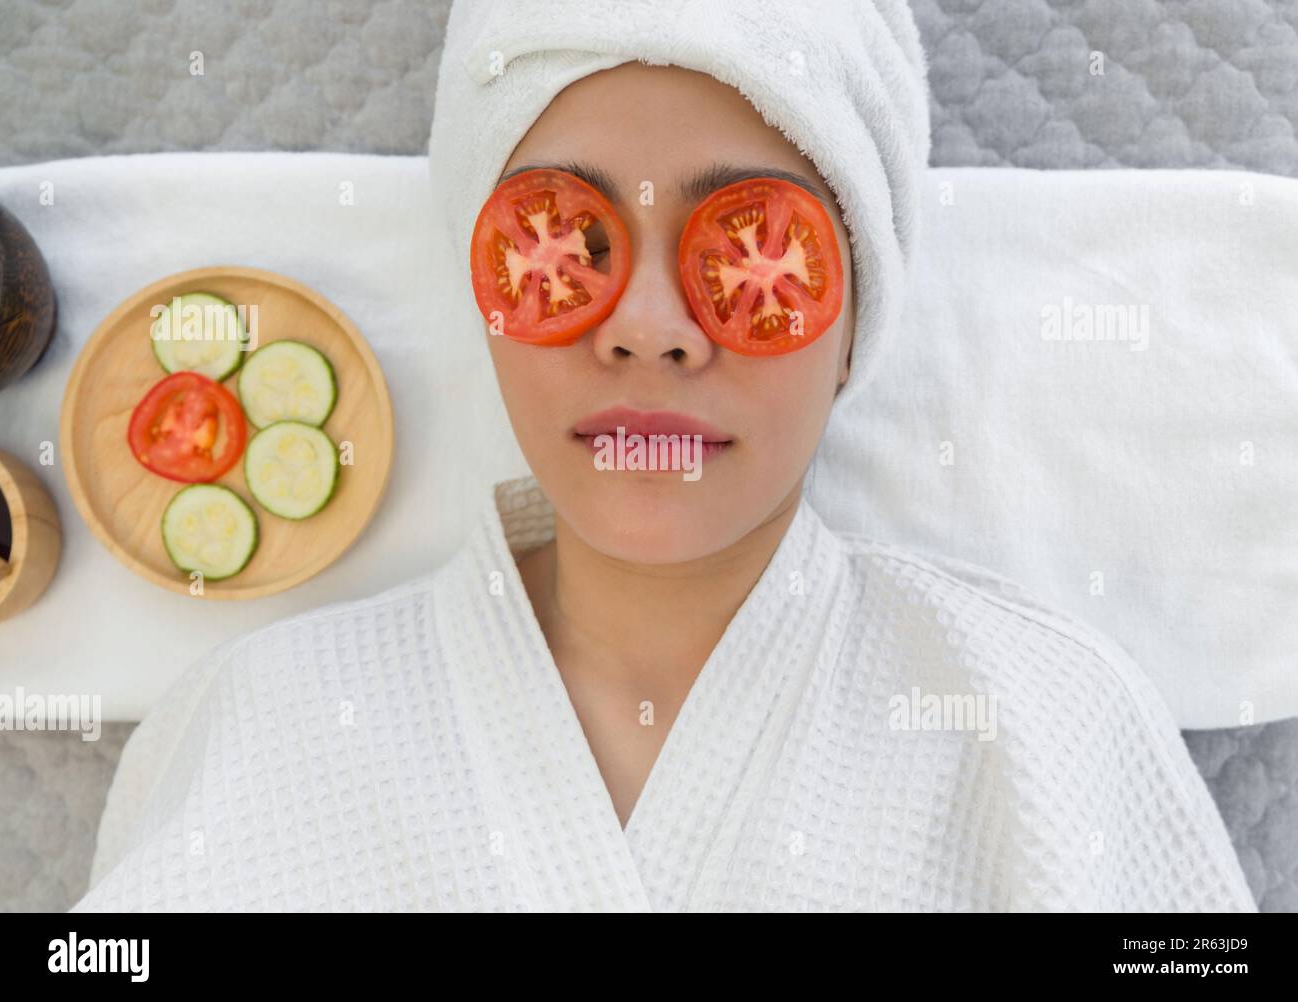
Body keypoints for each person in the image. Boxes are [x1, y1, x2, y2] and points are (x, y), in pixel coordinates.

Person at [72, 0, 1256, 912]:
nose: (645, 323)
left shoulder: (1057, 723)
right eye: (559, 238)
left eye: (753, 248)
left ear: (855, 321)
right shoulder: (251, 729)